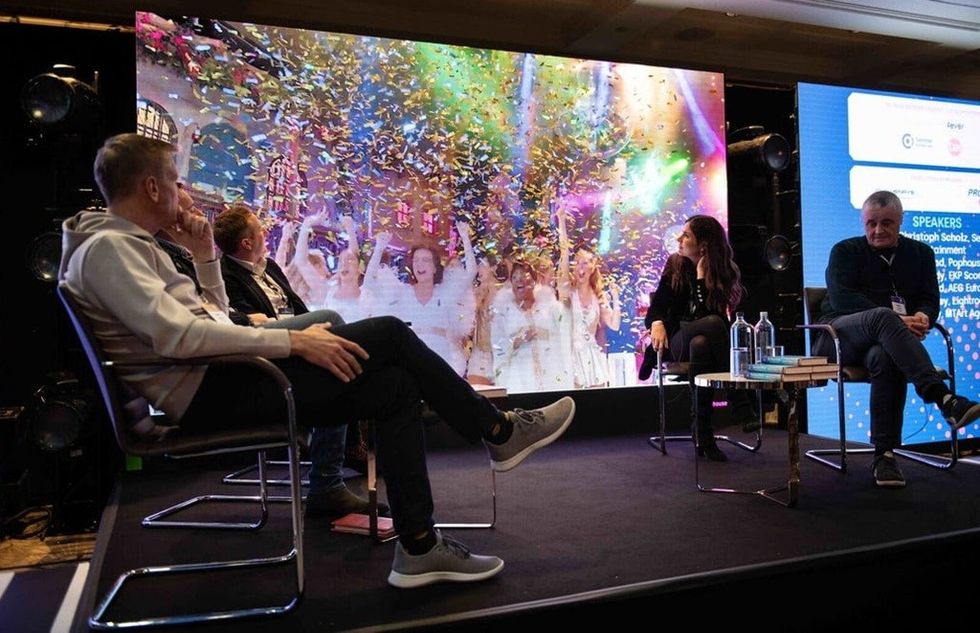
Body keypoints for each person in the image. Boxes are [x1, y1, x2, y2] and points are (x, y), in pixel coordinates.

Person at [59, 134, 576, 588]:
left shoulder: (128, 244)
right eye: (175, 181)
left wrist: (204, 257)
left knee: (395, 386)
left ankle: (419, 545)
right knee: (392, 335)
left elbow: (215, 319)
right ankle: (498, 432)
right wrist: (296, 344)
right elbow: (178, 338)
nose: (183, 193)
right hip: (212, 392)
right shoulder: (108, 249)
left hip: (223, 378)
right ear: (152, 189)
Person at [211, 203, 374, 519]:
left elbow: (299, 310)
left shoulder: (270, 266)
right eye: (259, 229)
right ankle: (339, 461)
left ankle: (332, 471)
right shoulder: (224, 275)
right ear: (246, 242)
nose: (265, 232)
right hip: (269, 357)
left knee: (340, 351)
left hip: (300, 343)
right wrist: (248, 319)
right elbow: (229, 321)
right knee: (331, 321)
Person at [814, 190, 980, 488]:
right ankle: (943, 398)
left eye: (887, 223)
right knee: (883, 317)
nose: (878, 230)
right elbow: (842, 299)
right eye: (871, 224)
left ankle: (885, 456)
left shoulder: (921, 254)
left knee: (884, 356)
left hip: (885, 341)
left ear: (901, 221)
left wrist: (923, 316)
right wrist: (899, 321)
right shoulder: (845, 251)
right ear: (863, 222)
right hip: (837, 336)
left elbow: (929, 298)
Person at [639, 215, 748, 462]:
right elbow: (658, 308)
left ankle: (702, 430)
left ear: (703, 245)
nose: (679, 238)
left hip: (705, 345)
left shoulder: (725, 270)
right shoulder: (674, 265)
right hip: (676, 340)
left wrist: (701, 277)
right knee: (713, 324)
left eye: (686, 235)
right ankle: (739, 398)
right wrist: (656, 323)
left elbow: (707, 315)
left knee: (702, 343)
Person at [557, 207, 622, 388]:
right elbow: (564, 255)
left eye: (585, 263)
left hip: (593, 358)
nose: (580, 267)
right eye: (577, 263)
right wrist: (561, 223)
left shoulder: (598, 297)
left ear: (593, 267)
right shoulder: (568, 292)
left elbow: (615, 326)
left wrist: (616, 299)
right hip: (571, 358)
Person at [490, 261, 571, 392]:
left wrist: (544, 334)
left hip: (549, 375)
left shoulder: (549, 307)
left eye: (523, 276)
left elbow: (564, 333)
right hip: (520, 379)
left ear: (533, 282)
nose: (519, 280)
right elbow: (498, 346)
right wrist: (518, 340)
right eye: (514, 277)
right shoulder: (503, 313)